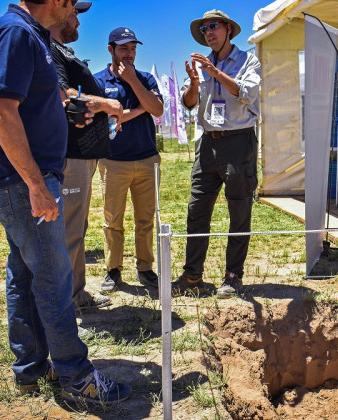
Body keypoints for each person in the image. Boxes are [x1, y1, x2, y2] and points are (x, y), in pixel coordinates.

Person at [0, 0, 130, 403]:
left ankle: (31, 369)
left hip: (23, 180)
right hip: (23, 181)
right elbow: (0, 111)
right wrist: (35, 184)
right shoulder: (16, 33)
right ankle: (76, 376)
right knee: (53, 276)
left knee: (25, 275)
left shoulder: (31, 36)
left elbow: (36, 100)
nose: (73, 10)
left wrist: (74, 108)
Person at [172, 10, 261, 299]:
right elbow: (188, 102)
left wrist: (214, 72)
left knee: (239, 210)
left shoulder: (248, 60)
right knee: (197, 210)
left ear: (227, 30)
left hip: (238, 142)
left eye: (213, 27)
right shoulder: (201, 66)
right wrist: (196, 84)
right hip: (207, 143)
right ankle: (192, 275)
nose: (208, 32)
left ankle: (233, 275)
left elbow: (246, 93)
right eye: (204, 29)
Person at [49, 1, 123, 310]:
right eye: (75, 12)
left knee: (77, 226)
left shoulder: (61, 49)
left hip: (83, 154)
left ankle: (76, 294)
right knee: (69, 228)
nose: (78, 21)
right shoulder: (49, 49)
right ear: (59, 11)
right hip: (71, 154)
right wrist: (108, 105)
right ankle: (66, 300)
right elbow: (62, 93)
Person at [93, 27, 164, 292]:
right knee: (113, 220)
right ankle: (113, 270)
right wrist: (137, 109)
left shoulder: (144, 79)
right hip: (113, 161)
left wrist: (134, 82)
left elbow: (156, 109)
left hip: (147, 159)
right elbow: (101, 116)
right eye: (124, 48)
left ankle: (145, 267)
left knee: (146, 219)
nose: (129, 54)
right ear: (110, 49)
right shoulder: (98, 81)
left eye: (133, 49)